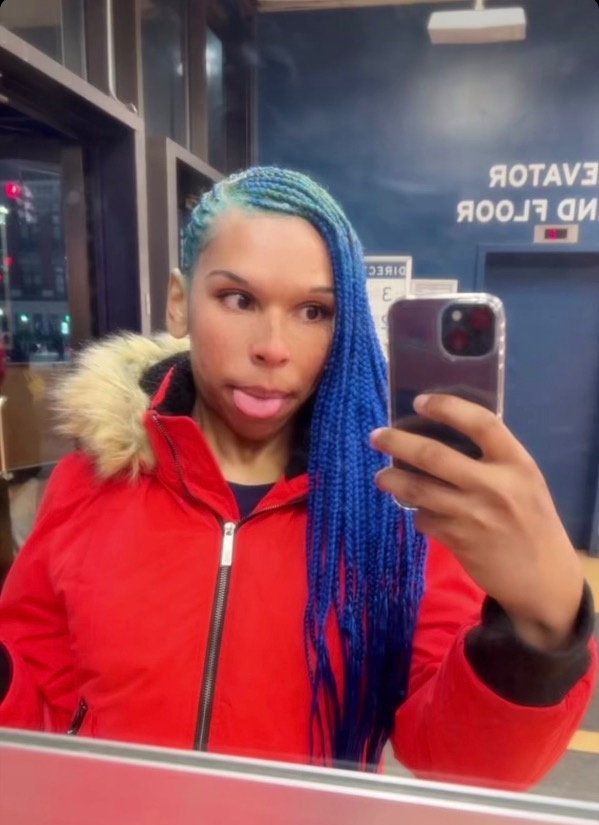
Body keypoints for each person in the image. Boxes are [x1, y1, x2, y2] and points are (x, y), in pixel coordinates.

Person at [0, 167, 595, 789]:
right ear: (179, 301)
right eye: (239, 299)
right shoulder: (91, 479)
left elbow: (463, 763)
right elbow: (33, 701)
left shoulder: (398, 510)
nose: (274, 347)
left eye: (314, 311)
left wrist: (540, 629)